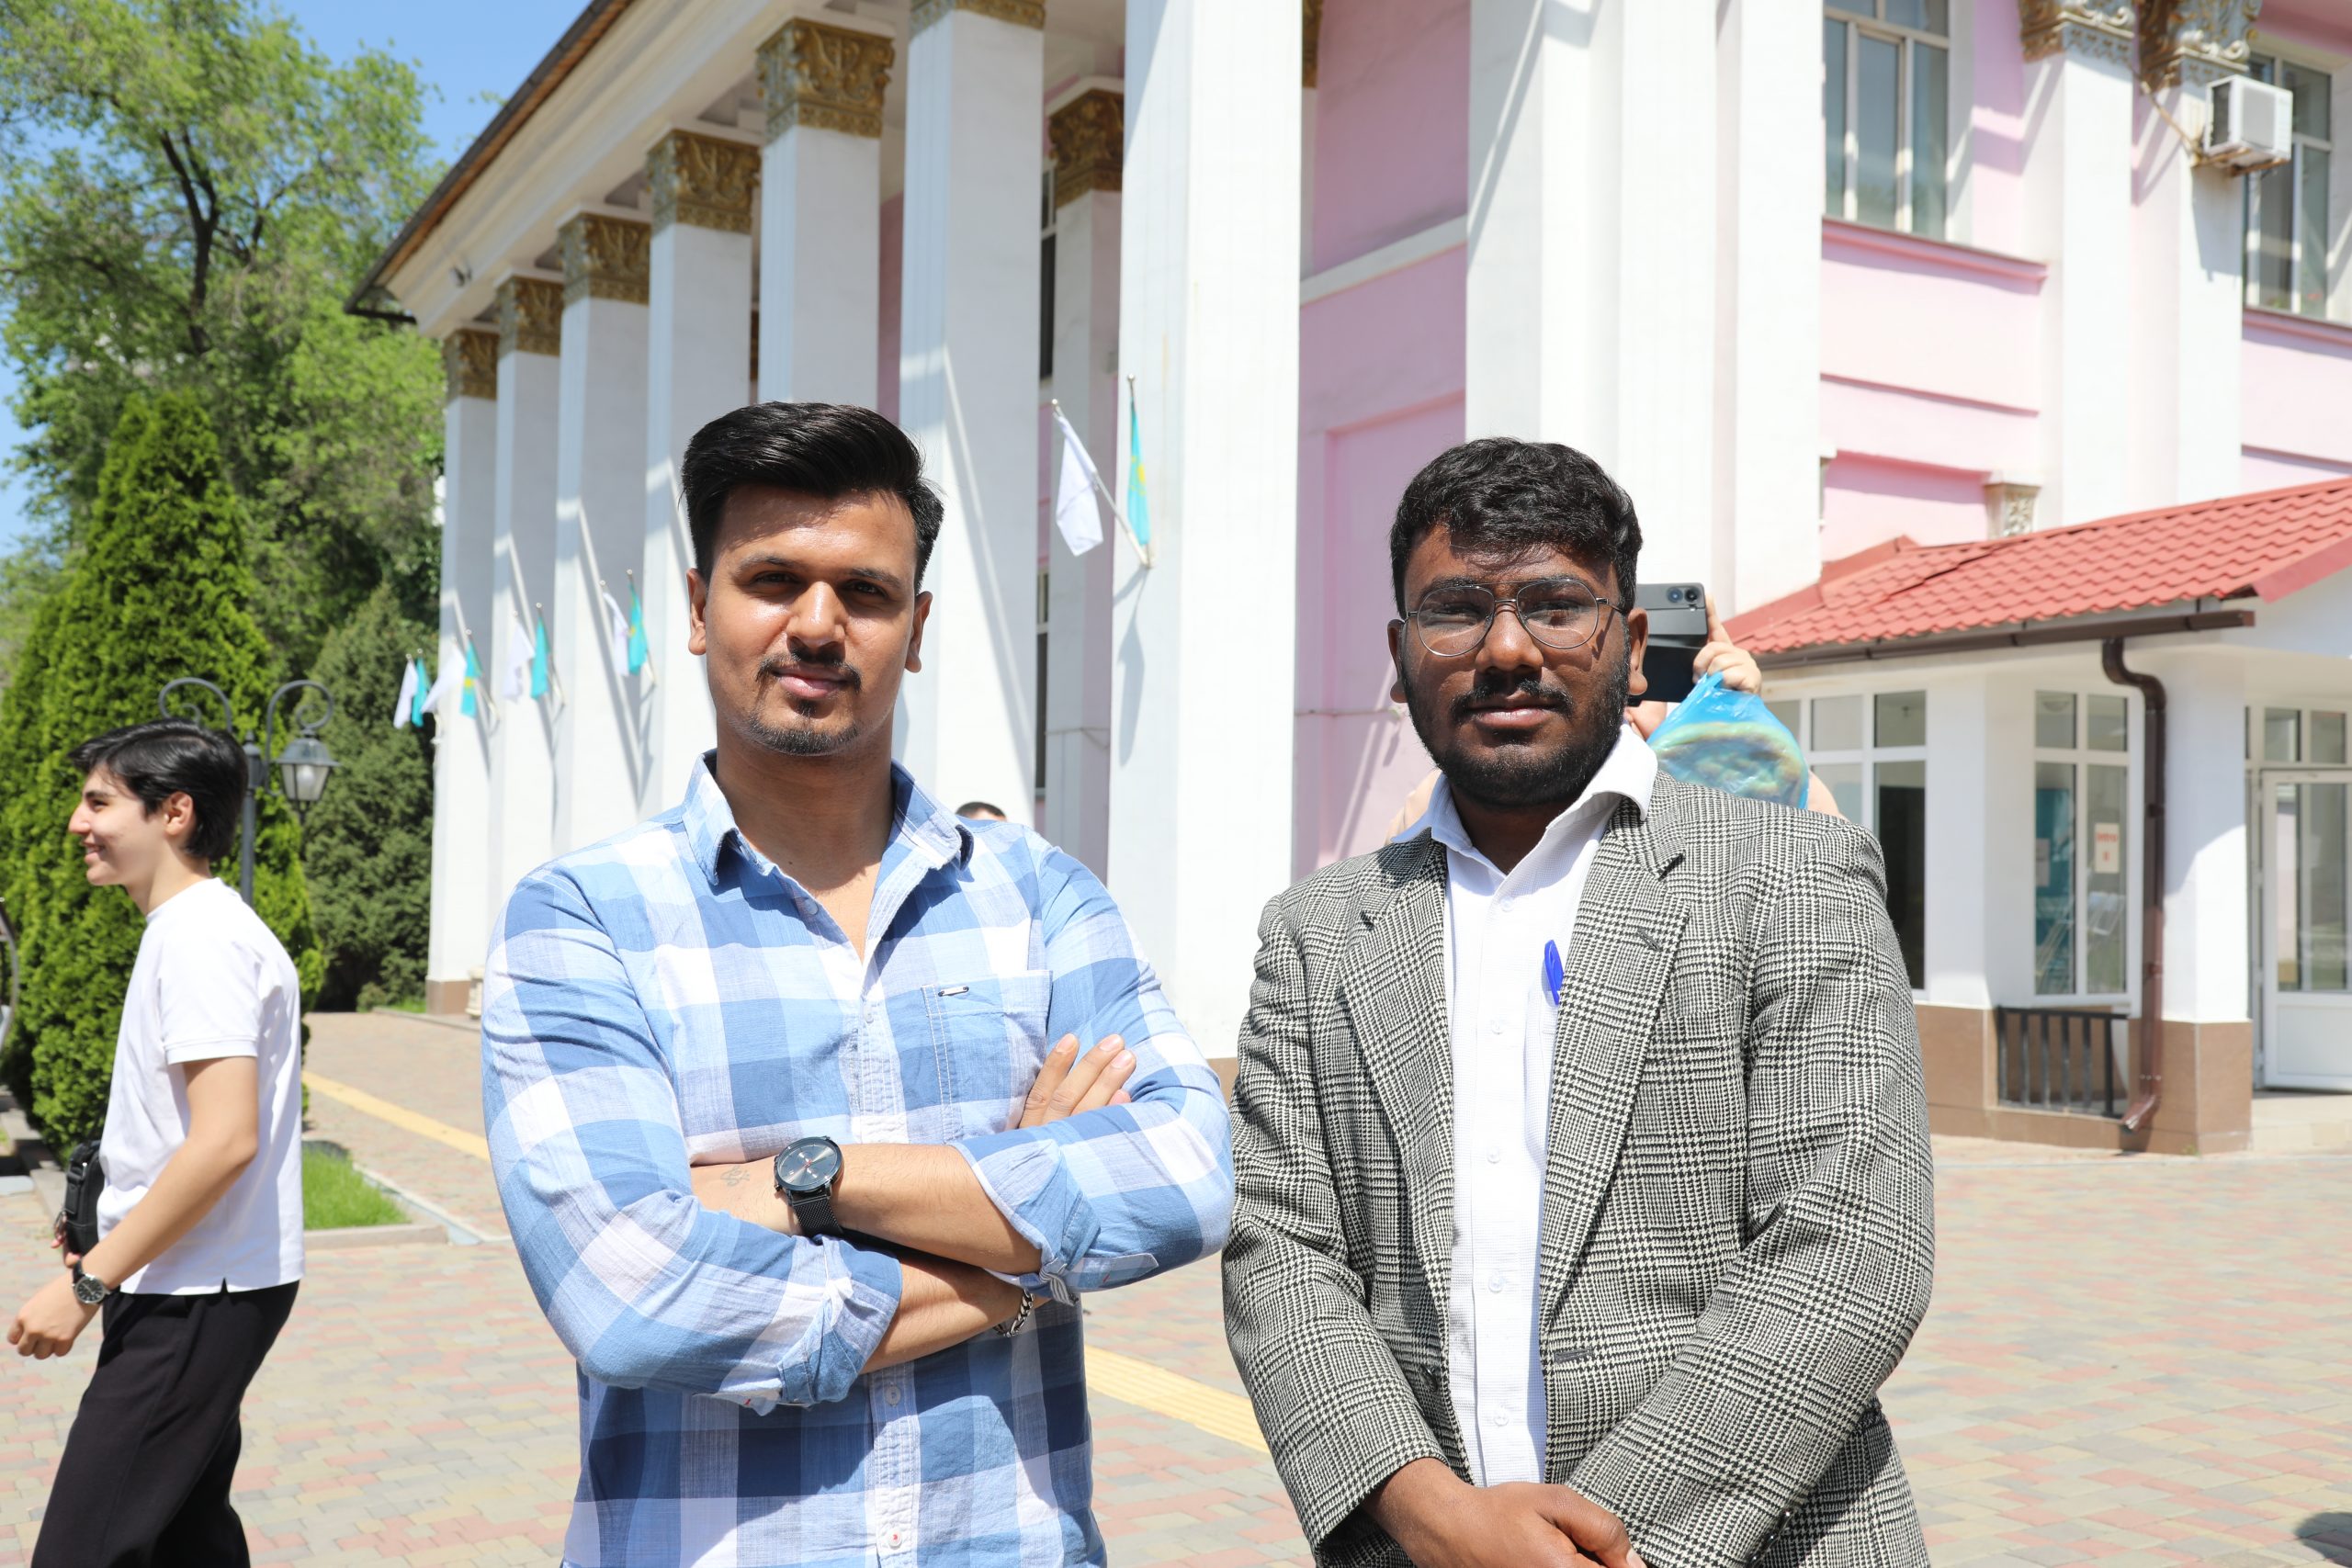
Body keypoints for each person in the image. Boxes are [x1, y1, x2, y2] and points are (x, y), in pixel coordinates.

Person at [481, 401, 1234, 1566]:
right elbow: (628, 1294)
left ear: (916, 627)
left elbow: (1187, 1172)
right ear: (698, 608)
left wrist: (809, 1179)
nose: (818, 625)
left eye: (866, 593)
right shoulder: (585, 920)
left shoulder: (1039, 896)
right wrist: (1025, 1257)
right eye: (773, 580)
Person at [1223, 437, 1935, 1568]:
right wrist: (1436, 1516)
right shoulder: (1316, 932)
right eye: (1456, 611)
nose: (1507, 650)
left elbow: (1851, 1250)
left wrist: (1580, 1548)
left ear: (1632, 646)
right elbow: (1281, 1252)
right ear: (1401, 657)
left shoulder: (1791, 878)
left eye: (1556, 606)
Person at [10, 719, 306, 1567]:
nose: (78, 821)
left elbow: (224, 1141)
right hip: (189, 1281)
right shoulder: (189, 929)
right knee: (188, 1536)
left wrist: (87, 1285)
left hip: (196, 1292)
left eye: (100, 801)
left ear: (174, 812)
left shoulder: (202, 938)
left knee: (84, 1548)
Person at [1381, 594, 1841, 840]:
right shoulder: (1447, 802)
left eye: (1637, 670)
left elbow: (1820, 858)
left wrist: (1740, 729)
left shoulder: (1714, 770)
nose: (1623, 702)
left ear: (1637, 658)